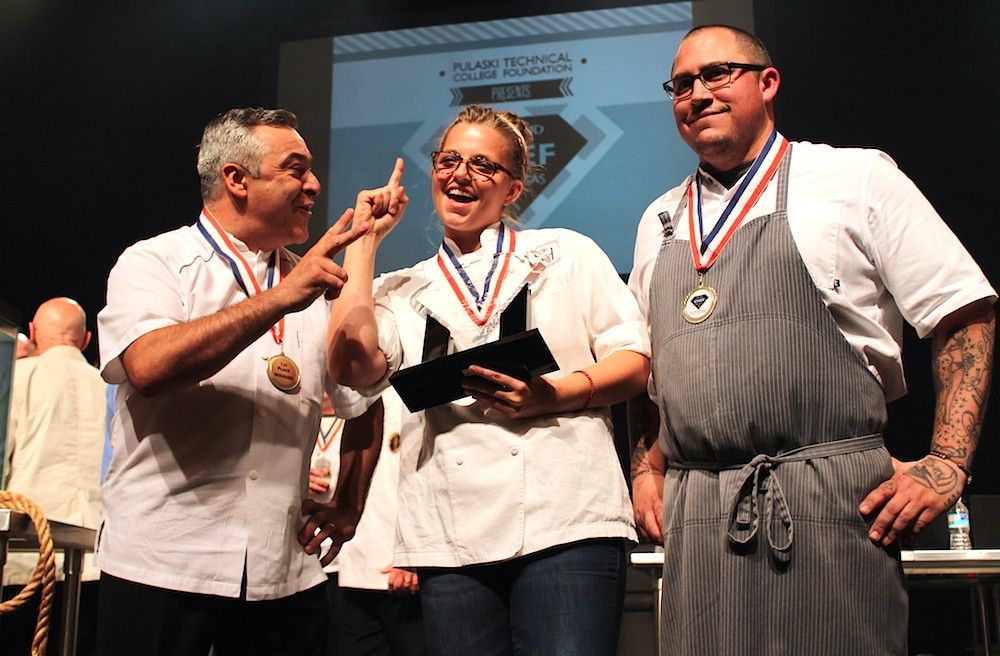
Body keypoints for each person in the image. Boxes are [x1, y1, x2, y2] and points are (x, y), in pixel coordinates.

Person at [627, 25, 996, 655]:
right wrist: (645, 470)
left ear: (768, 83)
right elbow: (643, 364)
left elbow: (963, 311)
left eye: (718, 74)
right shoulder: (658, 218)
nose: (698, 94)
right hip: (698, 511)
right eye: (682, 84)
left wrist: (949, 462)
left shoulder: (855, 177)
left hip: (832, 501)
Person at [325, 104, 651, 656]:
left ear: (512, 188)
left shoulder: (566, 253)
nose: (461, 174)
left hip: (566, 518)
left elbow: (634, 361)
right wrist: (364, 243)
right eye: (448, 160)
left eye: (482, 165)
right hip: (448, 533)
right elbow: (351, 366)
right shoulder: (400, 287)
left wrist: (550, 395)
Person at [95, 107, 378, 656]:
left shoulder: (315, 284)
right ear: (236, 179)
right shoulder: (155, 260)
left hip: (285, 571)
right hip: (164, 563)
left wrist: (349, 501)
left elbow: (364, 401)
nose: (314, 185)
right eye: (296, 169)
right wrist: (281, 297)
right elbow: (148, 367)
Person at [2, 297, 107, 656]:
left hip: (26, 557)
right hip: (94, 560)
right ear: (86, 339)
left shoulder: (19, 377)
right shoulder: (109, 388)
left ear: (32, 332)